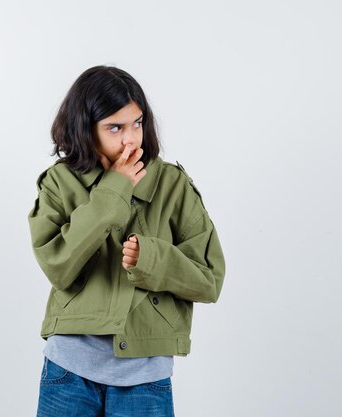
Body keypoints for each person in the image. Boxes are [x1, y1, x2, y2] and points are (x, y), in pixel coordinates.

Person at [27, 65, 226, 417]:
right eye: (114, 127)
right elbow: (58, 266)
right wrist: (114, 190)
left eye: (136, 123)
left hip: (145, 375)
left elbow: (209, 279)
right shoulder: (59, 183)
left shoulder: (172, 185)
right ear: (84, 129)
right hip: (69, 371)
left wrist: (151, 261)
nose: (130, 139)